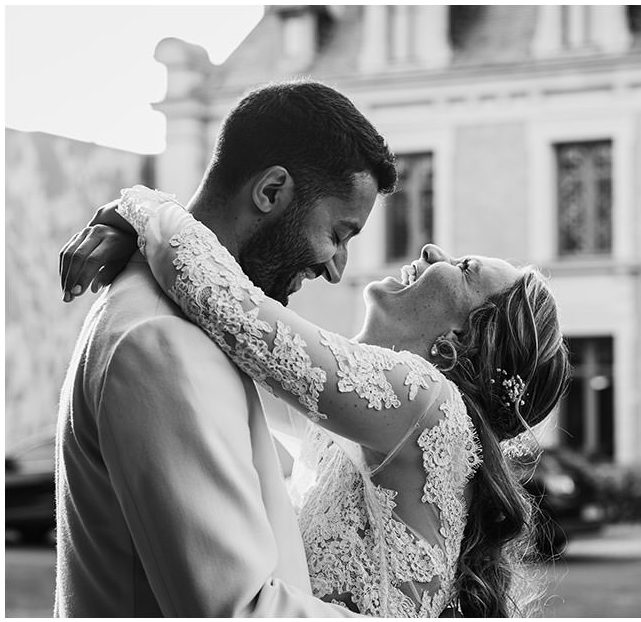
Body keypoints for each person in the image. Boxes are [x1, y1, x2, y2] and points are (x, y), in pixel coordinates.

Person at [59, 183, 570, 616]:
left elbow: (239, 315)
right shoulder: (380, 424)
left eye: (463, 268)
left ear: (459, 341)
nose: (432, 251)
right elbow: (226, 351)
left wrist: (142, 207)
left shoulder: (429, 402)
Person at [53, 80, 397, 617]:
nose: (336, 269)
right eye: (339, 233)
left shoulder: (182, 316)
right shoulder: (163, 341)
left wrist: (143, 212)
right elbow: (238, 609)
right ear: (270, 191)